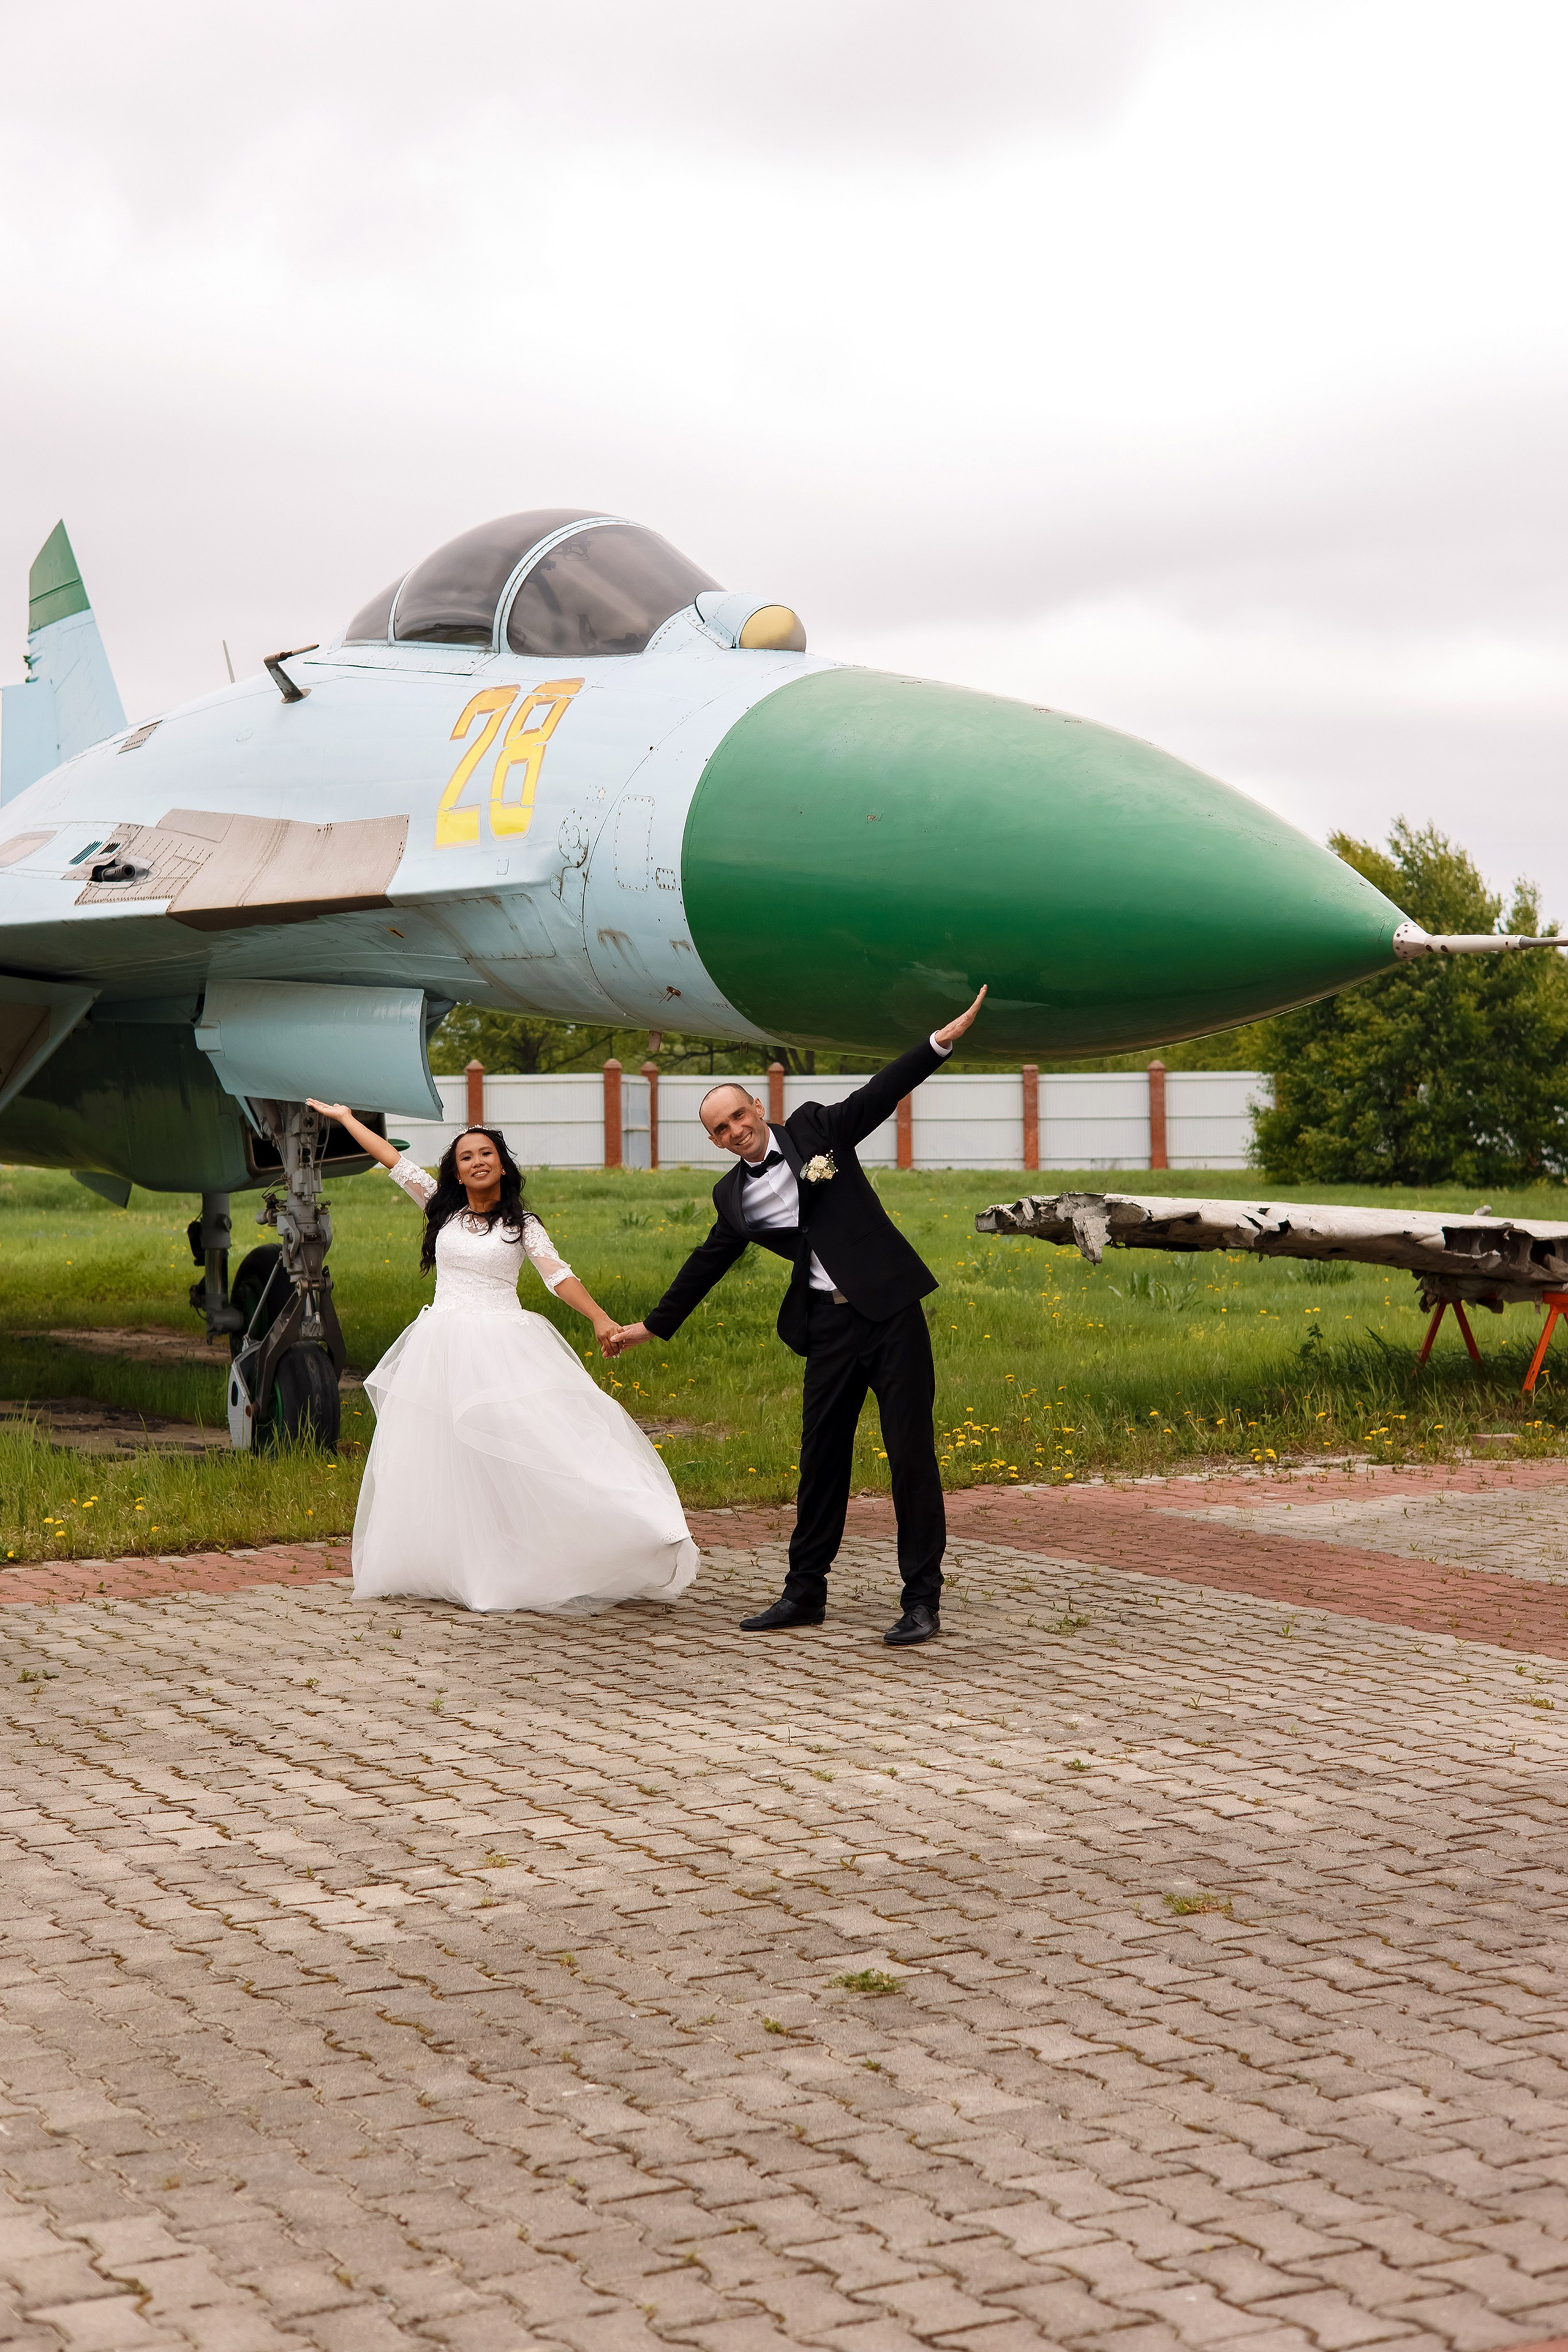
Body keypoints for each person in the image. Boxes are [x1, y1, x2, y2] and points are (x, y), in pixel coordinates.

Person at [608, 987, 987, 1646]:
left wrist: (936, 1045)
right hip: (827, 1327)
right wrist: (653, 1325)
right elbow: (706, 1263)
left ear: (758, 1107)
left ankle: (921, 1599)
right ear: (714, 1141)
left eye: (738, 1115)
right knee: (820, 1460)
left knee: (910, 1456)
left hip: (890, 1312)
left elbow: (876, 1096)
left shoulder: (815, 1129)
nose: (735, 1130)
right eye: (721, 1129)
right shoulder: (731, 1196)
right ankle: (805, 1591)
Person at [306, 1104, 698, 1615]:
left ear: (503, 1164)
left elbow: (558, 1275)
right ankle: (466, 1566)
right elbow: (392, 1160)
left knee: (537, 1443)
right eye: (466, 1157)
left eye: (486, 1153)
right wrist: (345, 1118)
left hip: (502, 1346)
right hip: (441, 1347)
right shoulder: (441, 1209)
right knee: (447, 1456)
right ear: (456, 1172)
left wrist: (601, 1319)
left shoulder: (522, 1224)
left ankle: (636, 1523)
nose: (477, 1162)